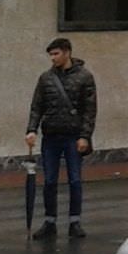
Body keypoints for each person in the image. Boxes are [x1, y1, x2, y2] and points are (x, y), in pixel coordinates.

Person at [25, 38, 96, 240]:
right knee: (49, 181)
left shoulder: (84, 77)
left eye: (56, 54)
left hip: (73, 136)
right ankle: (50, 221)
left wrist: (85, 136)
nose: (53, 58)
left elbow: (90, 110)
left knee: (74, 179)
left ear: (67, 53)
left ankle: (75, 221)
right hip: (51, 135)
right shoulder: (46, 78)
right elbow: (37, 106)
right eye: (51, 54)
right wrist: (31, 130)